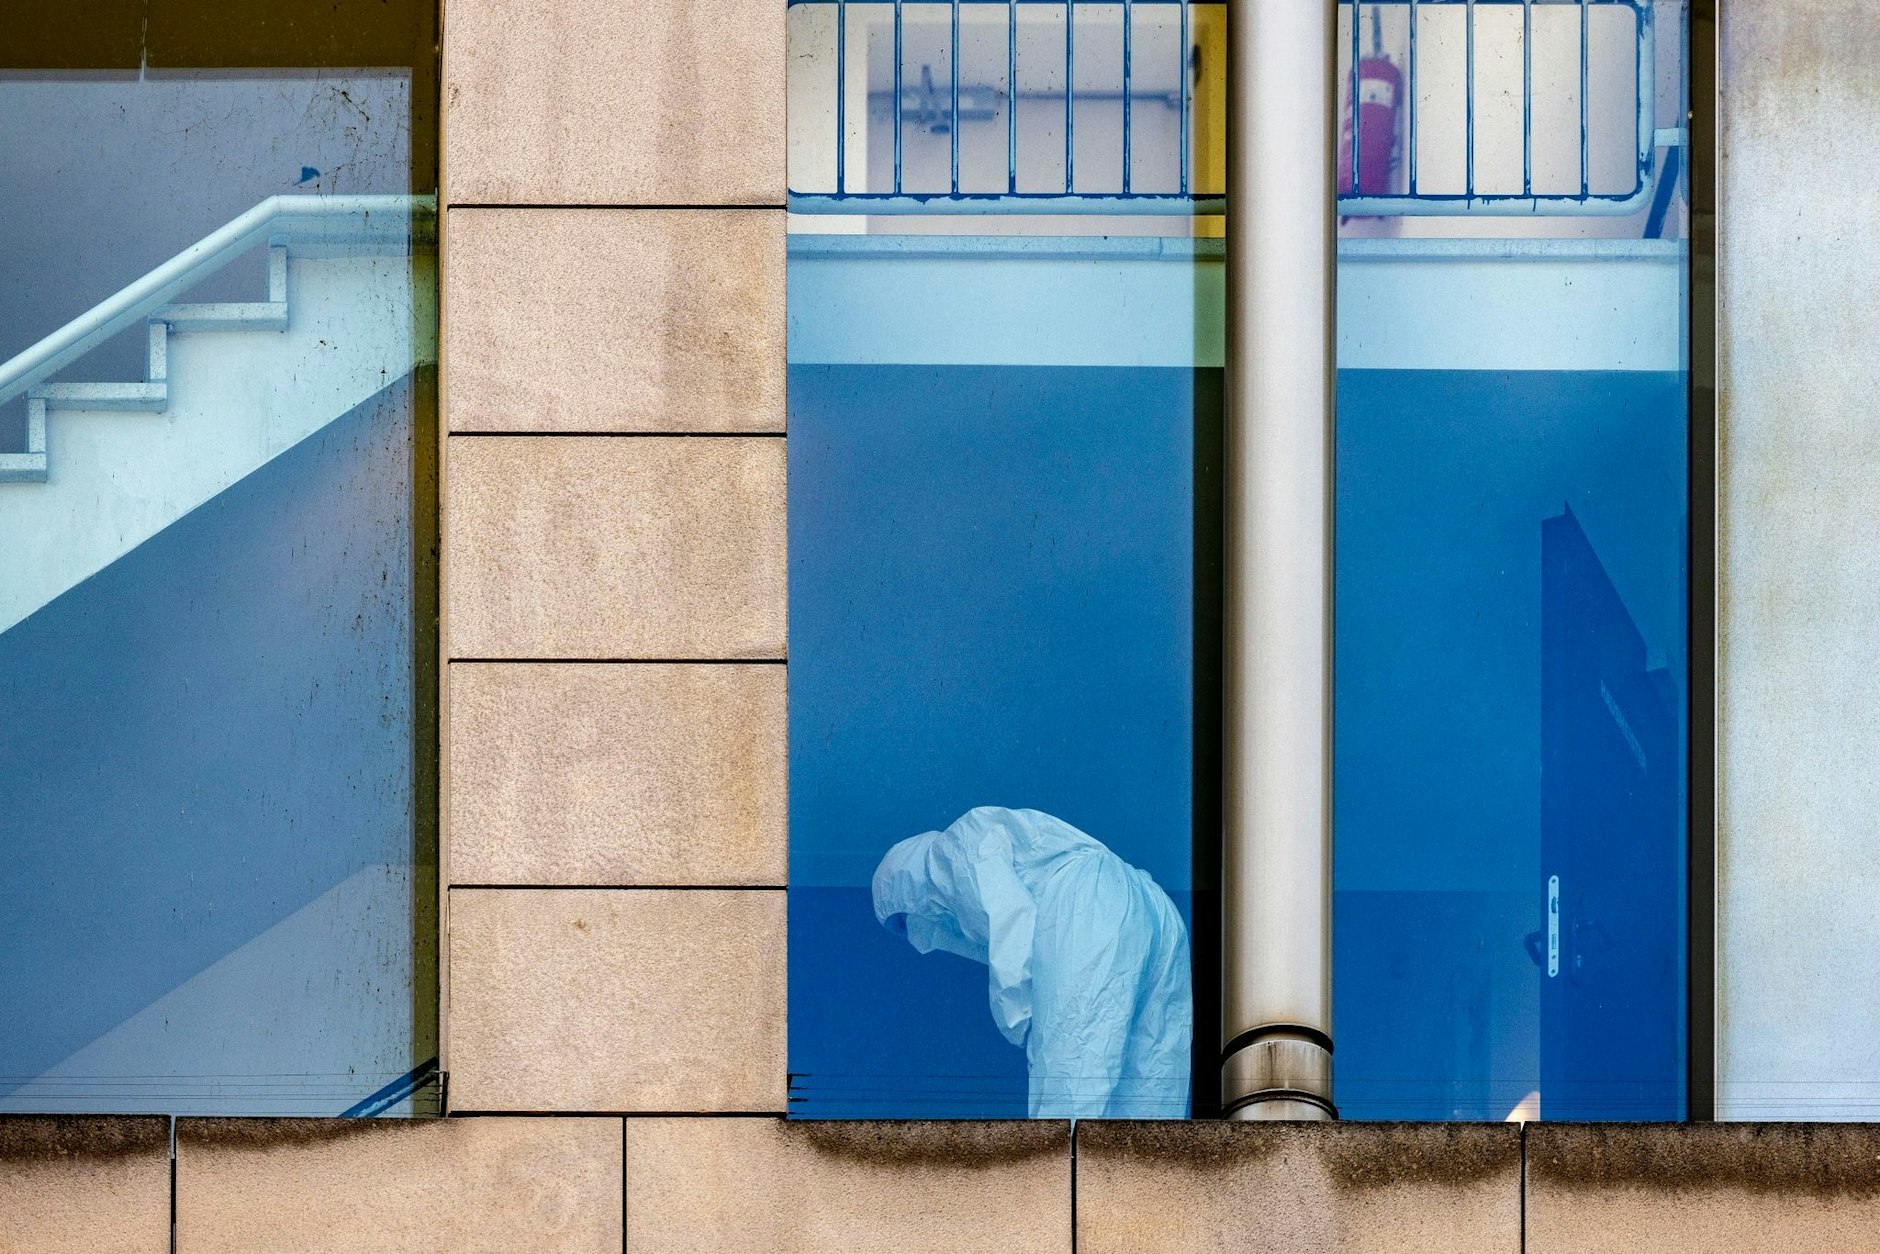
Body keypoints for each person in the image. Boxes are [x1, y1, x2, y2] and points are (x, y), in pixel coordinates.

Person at [872, 805, 1192, 1118]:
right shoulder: (969, 855)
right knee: (1150, 1074)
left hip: (1085, 906)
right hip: (1155, 910)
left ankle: (1060, 1169)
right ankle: (1144, 1169)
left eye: (901, 919)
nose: (909, 930)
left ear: (902, 882)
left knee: (1071, 1073)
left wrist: (1021, 1016)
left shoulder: (950, 853)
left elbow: (1010, 918)